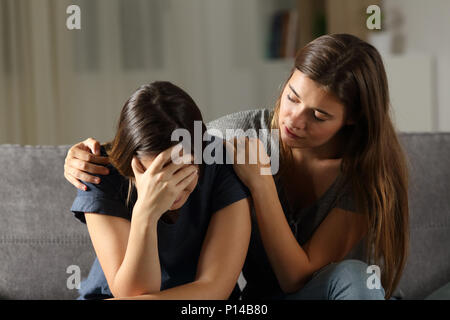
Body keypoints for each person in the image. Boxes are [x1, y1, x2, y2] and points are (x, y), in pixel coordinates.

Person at [64, 34, 409, 300]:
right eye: (292, 96)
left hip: (319, 293)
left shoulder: (369, 178)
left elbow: (295, 278)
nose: (294, 120)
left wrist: (260, 183)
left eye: (319, 116)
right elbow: (164, 138)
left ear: (353, 120)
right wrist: (83, 156)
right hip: (256, 301)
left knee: (354, 275)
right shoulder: (236, 135)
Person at [68, 81, 251, 299]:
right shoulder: (100, 173)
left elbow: (214, 288)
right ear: (132, 162)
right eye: (156, 174)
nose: (170, 189)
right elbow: (132, 292)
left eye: (181, 171)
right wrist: (146, 212)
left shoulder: (221, 164)